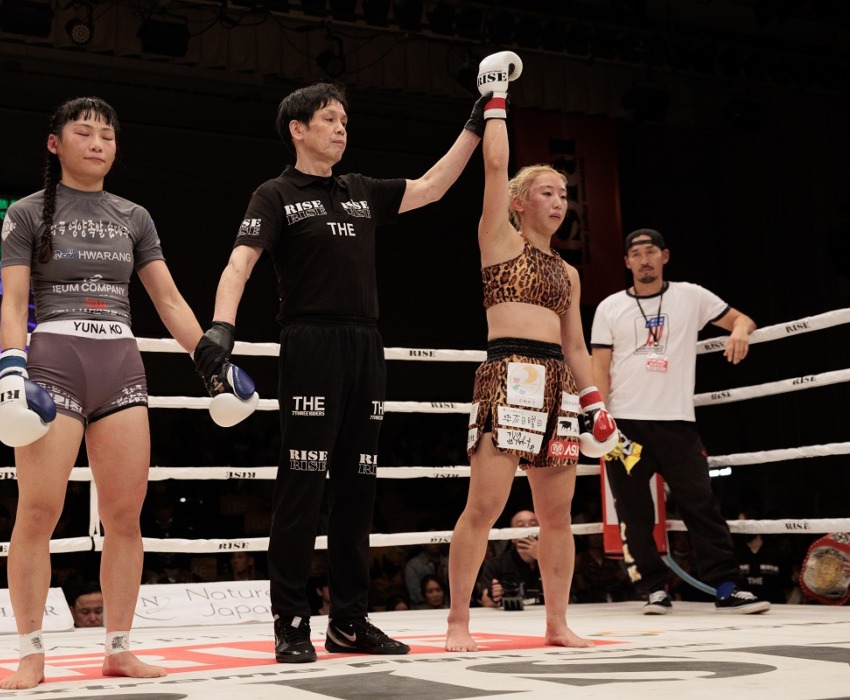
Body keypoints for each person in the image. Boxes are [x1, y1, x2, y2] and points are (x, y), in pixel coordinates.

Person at [194, 81, 484, 663]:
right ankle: (291, 621)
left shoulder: (360, 190)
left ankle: (349, 621)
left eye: (344, 120)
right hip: (310, 344)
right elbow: (239, 263)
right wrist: (221, 328)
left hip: (365, 343)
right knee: (302, 485)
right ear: (297, 129)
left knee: (358, 486)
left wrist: (475, 124)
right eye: (329, 118)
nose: (341, 128)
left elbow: (432, 187)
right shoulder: (275, 194)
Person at [0, 96, 207, 689]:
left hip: (120, 363)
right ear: (55, 143)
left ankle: (118, 648)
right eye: (84, 132)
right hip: (54, 363)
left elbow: (168, 300)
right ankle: (31, 653)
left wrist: (210, 360)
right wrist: (10, 368)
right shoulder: (26, 212)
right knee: (38, 512)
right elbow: (14, 301)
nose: (97, 143)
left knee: (125, 518)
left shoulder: (134, 216)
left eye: (107, 136)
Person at [445, 51, 612, 653]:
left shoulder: (568, 273)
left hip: (558, 385)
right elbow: (495, 164)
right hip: (507, 373)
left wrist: (595, 403)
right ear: (520, 201)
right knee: (485, 505)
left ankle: (557, 623)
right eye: (547, 191)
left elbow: (576, 344)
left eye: (564, 193)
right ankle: (458, 621)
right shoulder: (498, 238)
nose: (560, 201)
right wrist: (495, 98)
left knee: (557, 515)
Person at [590, 228, 770, 615]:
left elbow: (742, 319)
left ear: (665, 256)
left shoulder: (692, 296)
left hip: (677, 423)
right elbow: (599, 367)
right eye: (636, 254)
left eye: (650, 251)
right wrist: (600, 419)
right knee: (634, 511)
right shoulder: (609, 307)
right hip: (625, 425)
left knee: (701, 504)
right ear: (627, 262)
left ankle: (727, 586)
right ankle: (654, 589)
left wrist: (740, 331)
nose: (644, 259)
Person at [476, 511, 545, 609]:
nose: (527, 529)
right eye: (521, 526)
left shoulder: (556, 560)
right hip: (511, 614)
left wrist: (542, 556)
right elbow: (486, 601)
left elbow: (563, 593)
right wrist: (495, 595)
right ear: (512, 537)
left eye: (533, 525)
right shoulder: (496, 564)